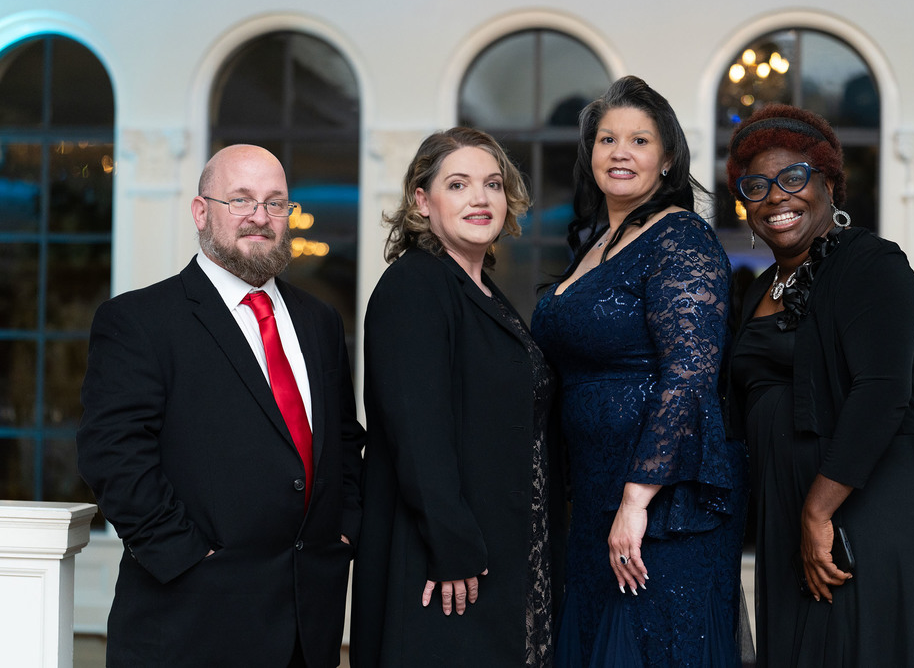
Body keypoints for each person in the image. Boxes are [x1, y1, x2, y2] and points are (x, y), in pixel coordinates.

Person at [77, 144, 365, 667]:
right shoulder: (139, 320)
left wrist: (344, 528)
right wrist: (190, 560)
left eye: (275, 203)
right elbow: (114, 456)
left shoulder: (319, 321)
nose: (260, 216)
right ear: (201, 211)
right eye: (241, 200)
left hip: (309, 620)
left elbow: (343, 438)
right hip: (190, 620)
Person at [725, 104, 914, 667]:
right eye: (756, 186)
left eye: (793, 177)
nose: (775, 197)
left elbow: (882, 391)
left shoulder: (872, 264)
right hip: (797, 510)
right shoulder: (760, 286)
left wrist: (818, 511)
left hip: (869, 500)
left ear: (829, 182)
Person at [531, 75, 749, 667]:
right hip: (598, 494)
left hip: (661, 505)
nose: (620, 152)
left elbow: (689, 376)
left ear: (668, 158)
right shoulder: (594, 242)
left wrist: (637, 498)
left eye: (639, 141)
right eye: (606, 139)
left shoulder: (681, 237)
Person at [350, 126, 566, 668]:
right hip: (450, 562)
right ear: (422, 202)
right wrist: (453, 547)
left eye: (493, 184)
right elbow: (418, 435)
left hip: (507, 546)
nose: (480, 197)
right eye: (459, 183)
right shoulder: (415, 286)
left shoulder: (483, 290)